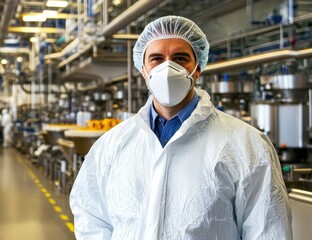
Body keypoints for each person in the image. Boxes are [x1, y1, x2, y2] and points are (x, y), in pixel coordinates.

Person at [70, 16, 292, 239]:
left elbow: (268, 231)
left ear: (197, 68)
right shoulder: (111, 144)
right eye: (157, 59)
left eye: (180, 58)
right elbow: (91, 219)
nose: (168, 67)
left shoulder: (247, 145)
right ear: (143, 70)